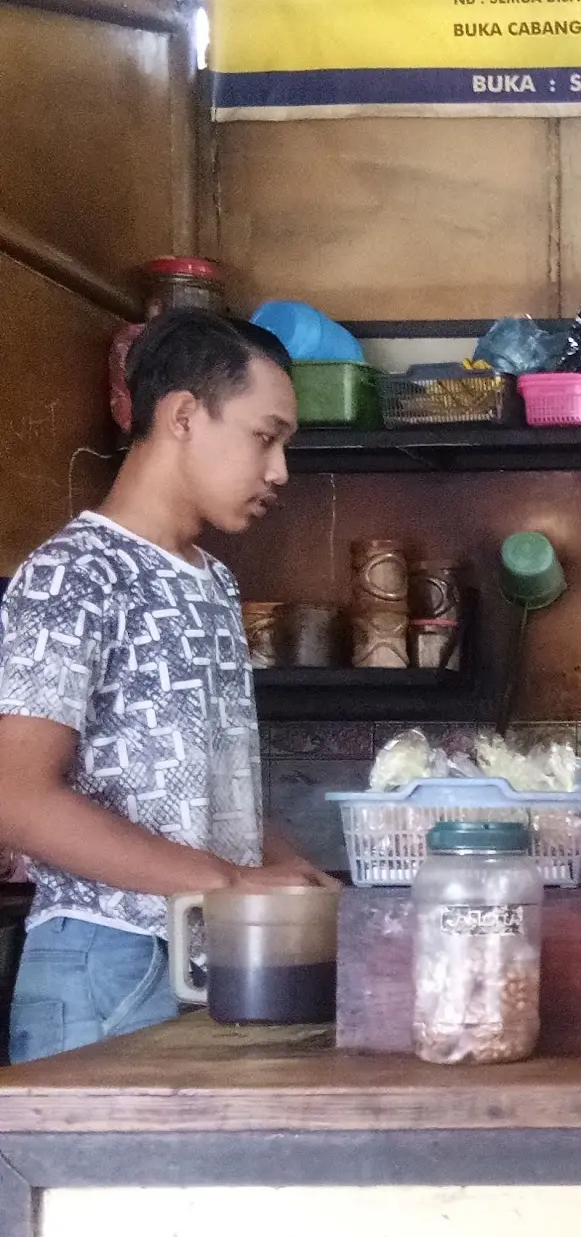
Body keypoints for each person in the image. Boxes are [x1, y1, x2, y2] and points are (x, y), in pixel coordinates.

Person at [0, 312, 331, 1064]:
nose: (280, 470)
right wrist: (231, 880)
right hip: (108, 965)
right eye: (264, 436)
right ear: (183, 415)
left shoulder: (212, 580)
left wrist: (284, 870)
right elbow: (15, 796)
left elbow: (197, 800)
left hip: (207, 961)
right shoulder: (74, 573)